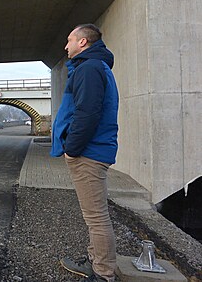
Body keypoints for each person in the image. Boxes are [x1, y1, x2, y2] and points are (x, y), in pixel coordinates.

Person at [50, 24, 119, 282]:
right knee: (95, 215)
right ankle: (95, 261)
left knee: (96, 217)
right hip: (94, 150)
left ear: (83, 42)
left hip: (88, 153)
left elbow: (87, 113)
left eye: (69, 41)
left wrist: (72, 149)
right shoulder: (94, 67)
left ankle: (103, 273)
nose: (65, 46)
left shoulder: (89, 69)